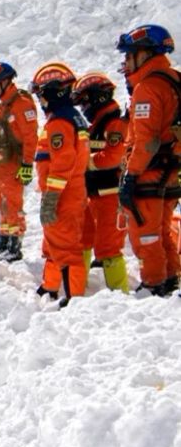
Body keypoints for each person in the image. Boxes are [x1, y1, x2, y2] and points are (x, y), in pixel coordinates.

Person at [116, 24, 181, 296]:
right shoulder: (175, 79)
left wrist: (130, 176)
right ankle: (169, 277)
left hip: (150, 171)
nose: (126, 62)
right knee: (163, 230)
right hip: (172, 169)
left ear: (144, 54)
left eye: (129, 55)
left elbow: (145, 140)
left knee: (145, 233)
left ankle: (153, 283)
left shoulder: (148, 87)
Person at [30, 62, 90, 308]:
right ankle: (51, 285)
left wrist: (52, 197)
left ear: (54, 92)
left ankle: (73, 298)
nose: (40, 101)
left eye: (41, 95)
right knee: (54, 242)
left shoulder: (59, 123)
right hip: (72, 190)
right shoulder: (73, 117)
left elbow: (62, 162)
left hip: (63, 194)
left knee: (65, 247)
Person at [72, 71, 129, 292]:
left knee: (108, 247)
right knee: (83, 239)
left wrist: (84, 161)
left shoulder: (115, 123)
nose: (83, 107)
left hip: (110, 195)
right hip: (92, 193)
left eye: (84, 100)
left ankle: (120, 293)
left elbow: (113, 157)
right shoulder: (97, 123)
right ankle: (77, 287)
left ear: (98, 97)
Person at [0, 62, 39, 262]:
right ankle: (4, 240)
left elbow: (31, 137)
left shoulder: (21, 103)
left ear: (4, 82)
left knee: (13, 203)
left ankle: (15, 244)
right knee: (1, 201)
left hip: (15, 163)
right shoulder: (3, 103)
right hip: (0, 164)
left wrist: (28, 164)